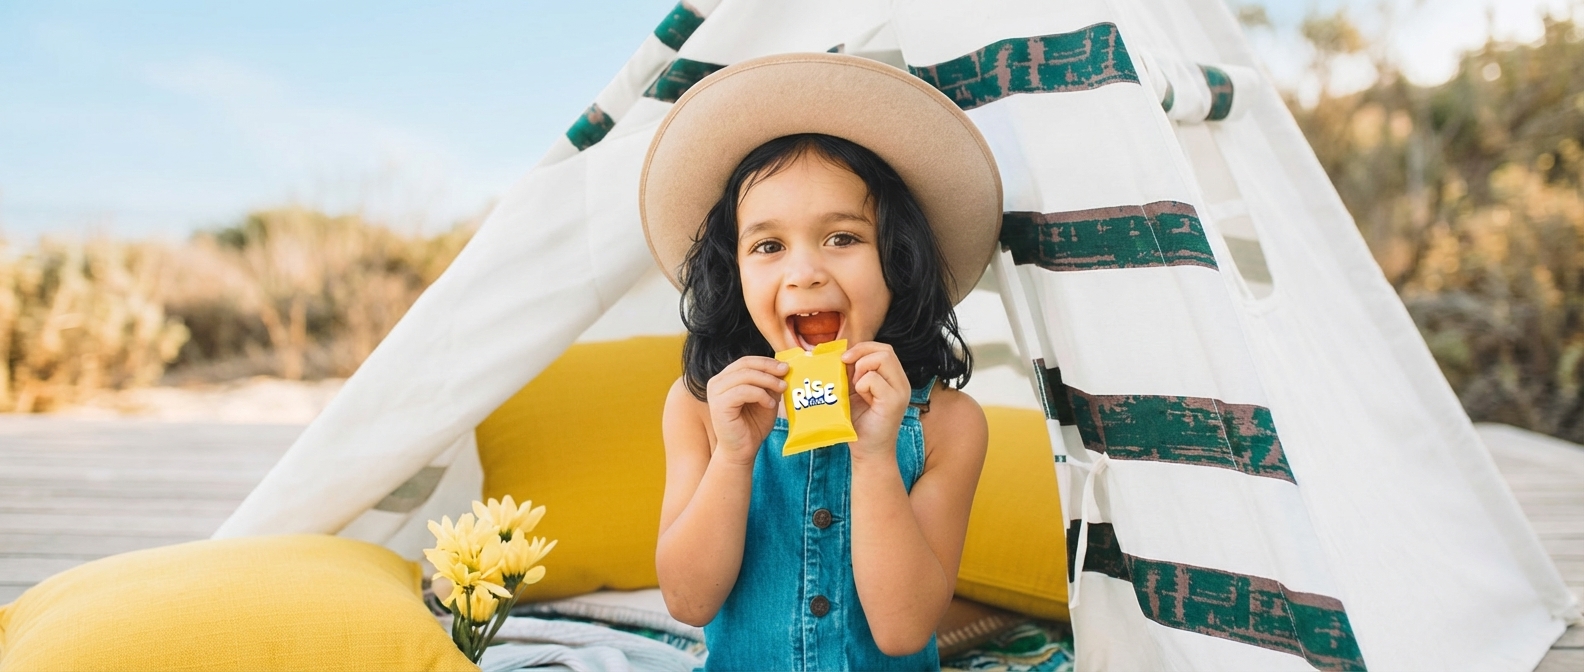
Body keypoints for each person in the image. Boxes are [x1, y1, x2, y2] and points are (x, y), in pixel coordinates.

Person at [640, 53, 1004, 671]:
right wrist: (732, 458)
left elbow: (903, 629)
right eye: (769, 245)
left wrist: (874, 455)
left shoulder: (950, 423)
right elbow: (687, 600)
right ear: (734, 273)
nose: (804, 272)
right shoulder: (699, 406)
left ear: (899, 258)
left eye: (843, 238)